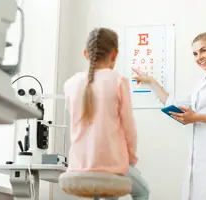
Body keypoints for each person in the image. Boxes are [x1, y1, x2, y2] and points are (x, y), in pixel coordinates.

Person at [132, 32, 206, 200]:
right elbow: (176, 103)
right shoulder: (202, 82)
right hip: (199, 155)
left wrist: (197, 117)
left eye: (203, 50)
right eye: (195, 54)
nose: (199, 57)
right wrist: (151, 82)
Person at [64, 27, 149, 200]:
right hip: (110, 165)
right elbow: (129, 129)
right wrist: (131, 159)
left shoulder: (71, 84)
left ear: (86, 54)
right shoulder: (117, 80)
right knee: (142, 191)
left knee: (101, 189)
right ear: (114, 55)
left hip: (79, 166)